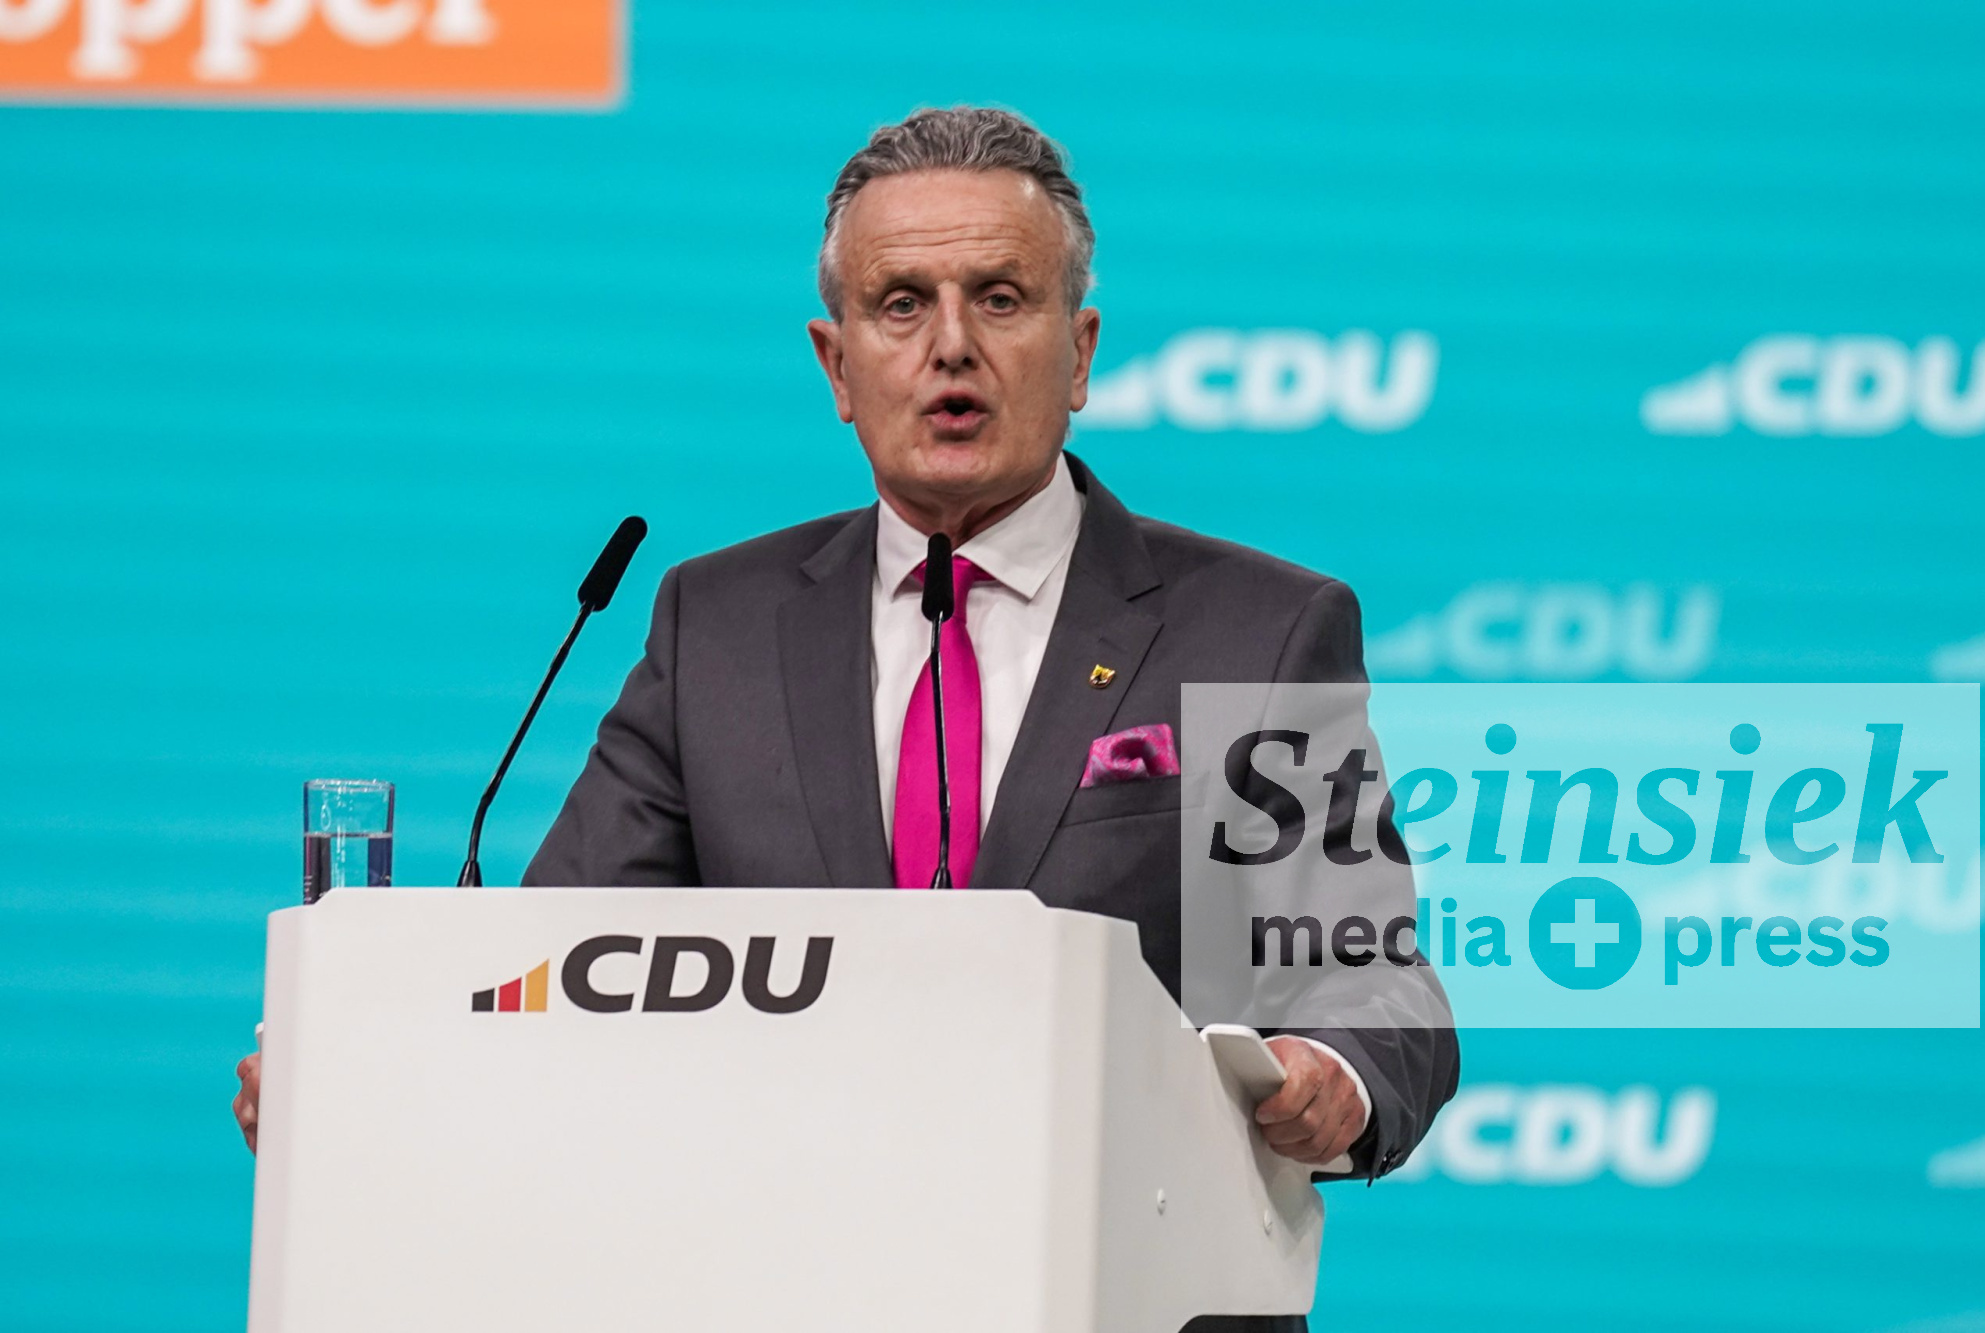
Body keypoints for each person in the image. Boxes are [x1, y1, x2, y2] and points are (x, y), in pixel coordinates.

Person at [234, 105, 1457, 1331]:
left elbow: (1373, 981)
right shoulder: (714, 628)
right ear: (835, 365)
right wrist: (368, 1072)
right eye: (900, 304)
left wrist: (1329, 1075)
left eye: (998, 298)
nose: (950, 346)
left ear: (1080, 350)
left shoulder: (1255, 630)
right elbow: (556, 966)